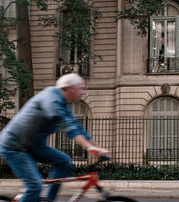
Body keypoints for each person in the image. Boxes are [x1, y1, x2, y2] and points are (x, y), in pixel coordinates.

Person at [0, 73, 109, 202]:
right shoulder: (50, 96)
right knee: (35, 186)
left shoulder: (63, 104)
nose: (82, 92)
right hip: (14, 146)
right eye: (80, 88)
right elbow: (66, 125)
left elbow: (76, 127)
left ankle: (49, 200)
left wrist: (96, 148)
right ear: (69, 88)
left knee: (63, 161)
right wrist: (88, 146)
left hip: (33, 146)